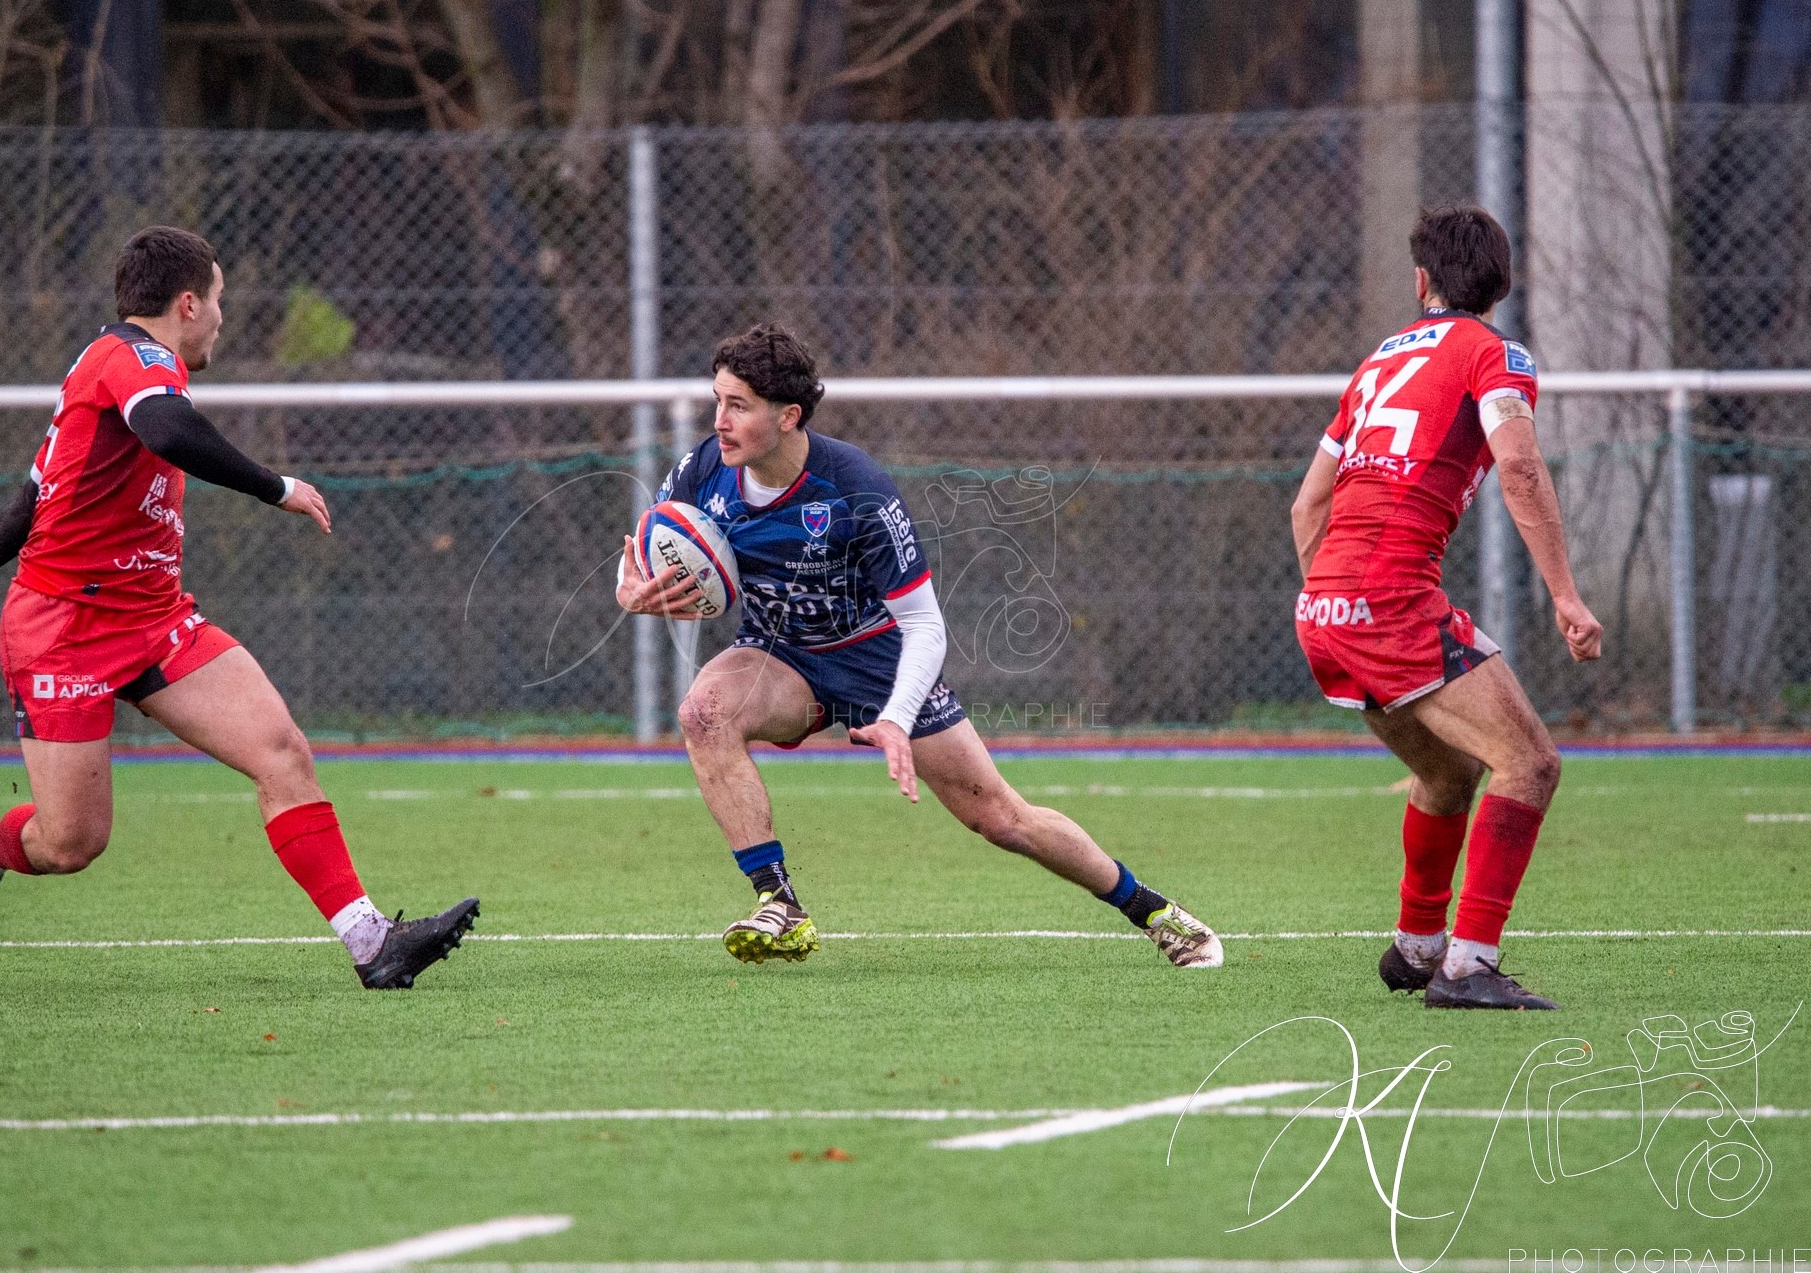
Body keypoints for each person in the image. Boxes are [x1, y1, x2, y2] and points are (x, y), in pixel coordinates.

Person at [0, 226, 478, 989]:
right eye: (218, 301)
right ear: (187, 303)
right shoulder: (134, 360)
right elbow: (166, 432)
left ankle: (373, 944)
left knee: (282, 751)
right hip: (62, 631)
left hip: (153, 621)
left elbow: (38, 495)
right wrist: (276, 486)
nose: (221, 317)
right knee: (73, 841)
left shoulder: (117, 368)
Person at [617, 323, 1222, 969]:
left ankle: (1151, 908)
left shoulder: (856, 487)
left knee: (1001, 818)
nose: (721, 420)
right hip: (778, 653)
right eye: (718, 400)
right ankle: (780, 904)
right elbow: (641, 552)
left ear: (788, 415)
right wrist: (632, 592)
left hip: (880, 661)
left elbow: (926, 625)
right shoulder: (704, 467)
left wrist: (897, 719)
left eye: (738, 405)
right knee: (703, 712)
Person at [1289, 204, 1602, 1011]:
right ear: (1502, 283)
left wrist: (1331, 601)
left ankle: (1417, 947)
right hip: (1389, 597)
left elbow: (1306, 509)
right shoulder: (1493, 353)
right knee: (1530, 763)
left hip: (1322, 606)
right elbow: (1521, 468)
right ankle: (1468, 965)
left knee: (1446, 768)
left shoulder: (1374, 364)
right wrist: (1565, 595)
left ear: (1421, 282)